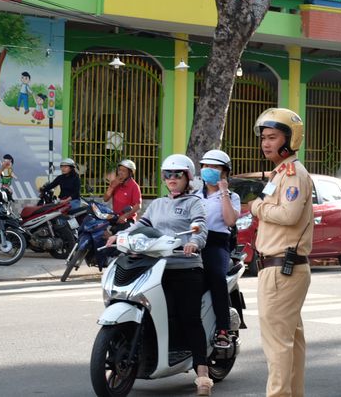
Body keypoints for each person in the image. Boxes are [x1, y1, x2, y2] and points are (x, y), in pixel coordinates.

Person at [107, 154, 212, 395]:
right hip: (156, 267)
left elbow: (200, 226)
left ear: (188, 177)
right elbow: (140, 225)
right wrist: (120, 235)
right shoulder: (157, 204)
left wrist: (194, 241)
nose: (172, 179)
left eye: (177, 174)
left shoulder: (193, 203)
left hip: (186, 267)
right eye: (168, 175)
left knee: (189, 318)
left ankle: (203, 374)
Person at [249, 108, 313, 397]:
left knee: (277, 346)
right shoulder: (280, 173)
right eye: (264, 138)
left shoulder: (293, 174)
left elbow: (288, 214)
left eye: (272, 137)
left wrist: (256, 207)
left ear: (289, 139)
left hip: (281, 269)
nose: (266, 143)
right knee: (290, 343)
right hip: (279, 268)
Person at [195, 150, 240, 349]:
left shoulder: (232, 196)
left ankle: (223, 329)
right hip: (194, 242)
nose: (208, 170)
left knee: (215, 276)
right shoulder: (194, 194)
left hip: (217, 243)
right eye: (205, 166)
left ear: (224, 172)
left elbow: (230, 220)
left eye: (214, 167)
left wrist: (223, 192)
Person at [103, 159, 142, 225]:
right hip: (115, 217)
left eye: (123, 171)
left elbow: (138, 205)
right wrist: (112, 186)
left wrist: (125, 216)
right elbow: (105, 199)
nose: (120, 172)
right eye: (119, 170)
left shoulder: (134, 186)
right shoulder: (115, 182)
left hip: (128, 219)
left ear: (130, 173)